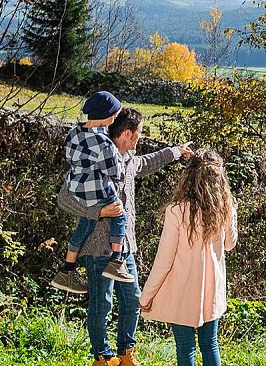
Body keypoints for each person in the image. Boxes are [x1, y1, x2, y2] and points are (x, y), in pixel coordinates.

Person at [58, 107, 194, 366]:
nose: (140, 138)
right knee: (102, 304)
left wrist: (176, 151)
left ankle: (125, 354)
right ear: (128, 133)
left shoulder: (130, 159)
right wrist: (98, 211)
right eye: (139, 133)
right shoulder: (93, 157)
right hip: (97, 247)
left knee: (133, 301)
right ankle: (102, 357)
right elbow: (64, 198)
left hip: (125, 248)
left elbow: (147, 162)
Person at [140, 149, 238, 366]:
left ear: (189, 176)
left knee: (185, 350)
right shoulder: (224, 208)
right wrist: (232, 211)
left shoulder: (176, 211)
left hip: (182, 292)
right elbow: (230, 245)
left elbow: (164, 260)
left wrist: (146, 296)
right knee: (210, 344)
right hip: (212, 290)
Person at [53, 91, 132, 293]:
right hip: (95, 189)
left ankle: (67, 269)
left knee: (85, 225)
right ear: (105, 115)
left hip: (75, 186)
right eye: (114, 114)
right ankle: (116, 261)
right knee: (119, 213)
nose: (115, 118)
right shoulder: (104, 143)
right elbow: (114, 172)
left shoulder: (74, 132)